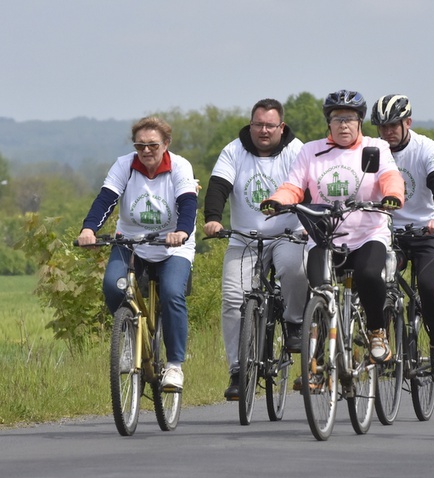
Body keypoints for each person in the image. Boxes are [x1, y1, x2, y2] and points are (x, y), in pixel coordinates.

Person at [260, 89, 405, 365]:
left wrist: (392, 195)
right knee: (319, 291)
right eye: (337, 119)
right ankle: (319, 361)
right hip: (325, 237)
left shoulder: (375, 148)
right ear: (329, 123)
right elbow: (293, 186)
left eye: (350, 118)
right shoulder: (311, 151)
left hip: (367, 234)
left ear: (360, 121)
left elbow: (390, 177)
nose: (343, 125)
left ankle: (377, 332)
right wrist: (277, 201)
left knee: (369, 274)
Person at [78, 116, 198, 389]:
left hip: (173, 244)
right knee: (112, 285)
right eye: (140, 145)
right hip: (131, 241)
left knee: (171, 292)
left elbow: (187, 203)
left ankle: (175, 365)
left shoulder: (180, 166)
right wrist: (89, 229)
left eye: (152, 145)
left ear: (166, 144)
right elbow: (106, 199)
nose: (145, 151)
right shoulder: (124, 165)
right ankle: (130, 340)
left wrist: (181, 232)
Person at [203, 98, 307, 401]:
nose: (263, 130)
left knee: (295, 268)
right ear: (251, 125)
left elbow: (309, 189)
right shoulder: (234, 150)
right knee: (234, 298)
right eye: (258, 124)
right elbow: (219, 185)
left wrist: (307, 226)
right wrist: (212, 219)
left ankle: (294, 320)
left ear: (281, 127)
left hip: (288, 234)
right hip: (244, 238)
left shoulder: (296, 150)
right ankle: (238, 370)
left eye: (270, 125)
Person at [371, 94, 434, 384]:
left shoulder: (427, 148)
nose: (387, 132)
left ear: (408, 122)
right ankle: (383, 346)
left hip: (427, 231)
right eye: (381, 127)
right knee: (376, 282)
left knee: (429, 287)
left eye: (393, 125)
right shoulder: (374, 150)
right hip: (388, 232)